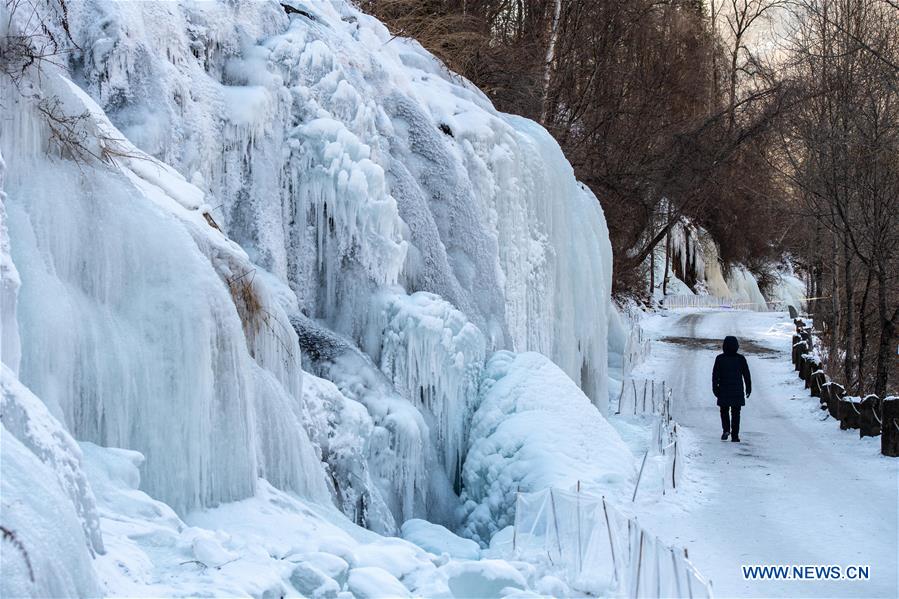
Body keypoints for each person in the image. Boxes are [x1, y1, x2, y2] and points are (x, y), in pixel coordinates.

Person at [712, 335, 752, 442]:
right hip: (737, 391)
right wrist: (748, 388)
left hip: (723, 390)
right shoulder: (741, 359)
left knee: (724, 410)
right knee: (736, 413)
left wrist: (715, 389)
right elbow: (746, 375)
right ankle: (735, 435)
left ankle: (726, 429)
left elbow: (715, 376)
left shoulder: (720, 359)